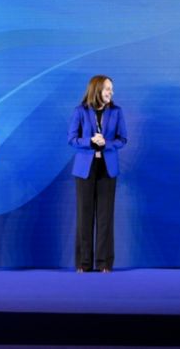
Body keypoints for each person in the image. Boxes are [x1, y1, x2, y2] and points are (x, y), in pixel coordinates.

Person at [68, 75, 128, 273]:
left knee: (105, 217)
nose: (111, 92)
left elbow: (122, 139)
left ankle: (104, 263)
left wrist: (107, 143)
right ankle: (83, 263)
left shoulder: (117, 112)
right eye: (107, 89)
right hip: (84, 169)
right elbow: (72, 139)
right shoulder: (80, 111)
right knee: (84, 216)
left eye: (111, 89)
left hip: (107, 168)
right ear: (96, 90)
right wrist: (90, 141)